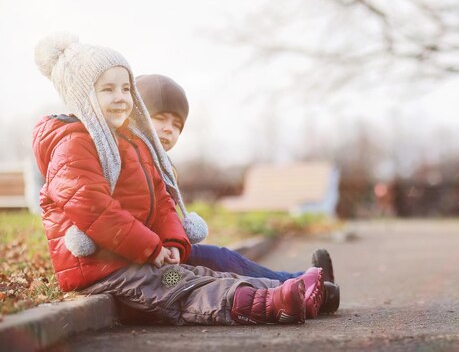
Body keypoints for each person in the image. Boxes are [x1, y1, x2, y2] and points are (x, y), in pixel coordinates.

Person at [32, 32, 326, 325]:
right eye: (108, 90)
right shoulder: (72, 146)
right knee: (180, 286)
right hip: (102, 269)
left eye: (126, 88)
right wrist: (151, 247)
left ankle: (292, 291)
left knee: (194, 274)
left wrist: (173, 243)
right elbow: (94, 210)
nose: (121, 97)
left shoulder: (131, 144)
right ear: (82, 95)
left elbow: (161, 201)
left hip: (140, 259)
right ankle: (269, 303)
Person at [135, 74, 340, 313]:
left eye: (177, 125)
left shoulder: (162, 165)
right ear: (137, 115)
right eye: (160, 118)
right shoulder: (130, 161)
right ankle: (300, 290)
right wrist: (157, 247)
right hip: (152, 266)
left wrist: (175, 243)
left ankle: (302, 281)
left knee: (222, 258)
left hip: (168, 253)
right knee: (212, 273)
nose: (169, 129)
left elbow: (166, 214)